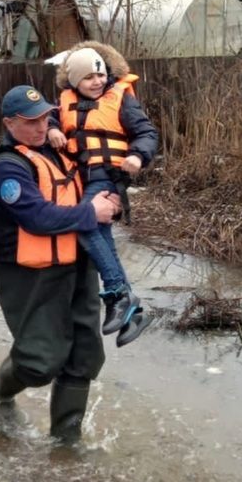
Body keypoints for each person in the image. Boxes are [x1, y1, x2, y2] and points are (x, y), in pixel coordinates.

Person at [0, 84, 122, 442]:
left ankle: (66, 446)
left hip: (78, 266)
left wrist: (111, 200)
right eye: (30, 121)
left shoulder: (58, 150)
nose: (41, 127)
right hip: (31, 274)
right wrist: (90, 212)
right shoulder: (6, 168)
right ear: (9, 124)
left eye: (45, 119)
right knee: (40, 361)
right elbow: (36, 217)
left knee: (84, 357)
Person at [47, 43, 159, 347]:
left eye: (99, 74)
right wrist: (52, 128)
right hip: (81, 180)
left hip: (108, 177)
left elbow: (148, 133)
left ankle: (116, 295)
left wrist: (138, 156)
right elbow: (52, 118)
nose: (96, 81)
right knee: (102, 239)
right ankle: (133, 312)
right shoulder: (65, 101)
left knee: (85, 223)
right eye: (88, 78)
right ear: (73, 83)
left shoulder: (120, 98)